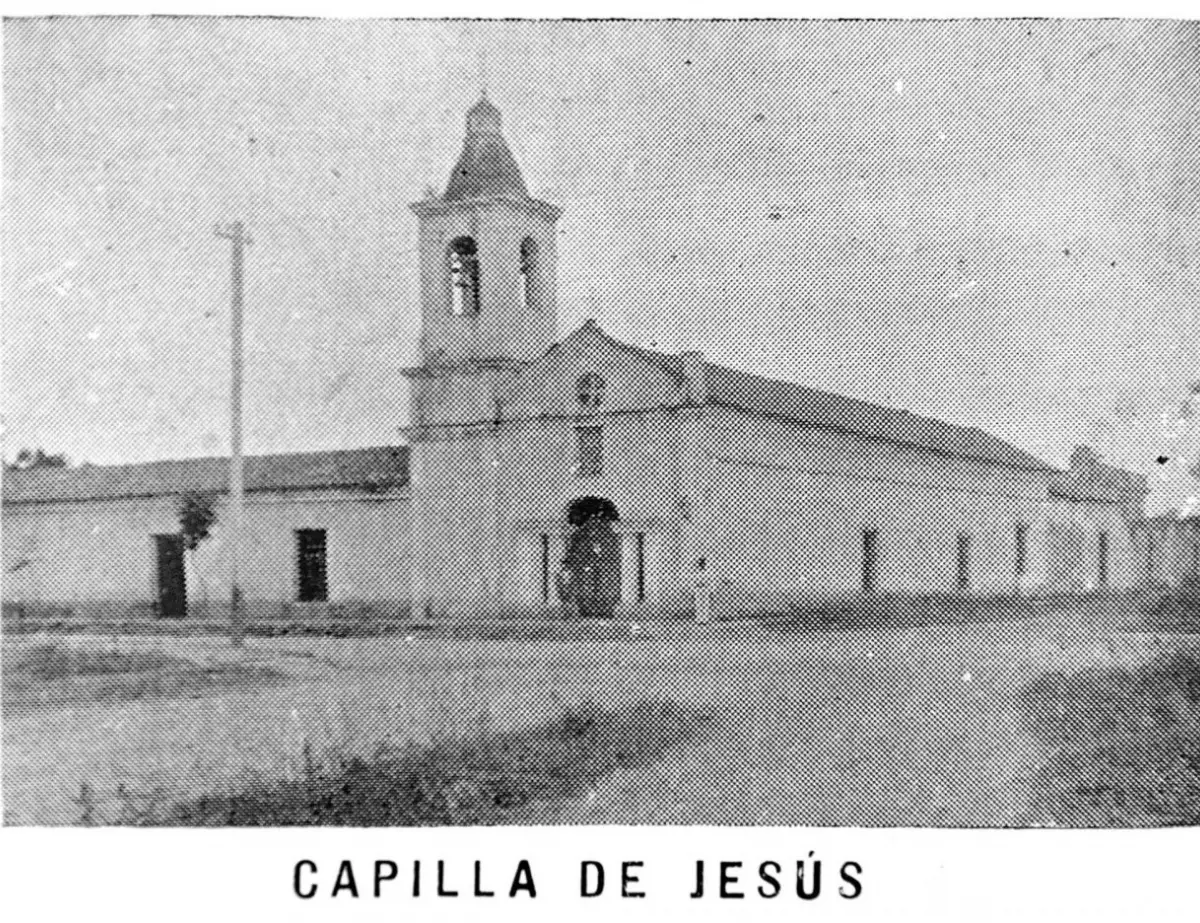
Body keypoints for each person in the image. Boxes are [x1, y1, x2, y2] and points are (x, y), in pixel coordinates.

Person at [693, 556, 711, 624]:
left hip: (705, 588)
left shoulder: (707, 572)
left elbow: (709, 580)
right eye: (700, 563)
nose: (702, 565)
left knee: (705, 604)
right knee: (698, 604)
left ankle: (705, 619)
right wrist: (697, 585)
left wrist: (708, 587)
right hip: (698, 588)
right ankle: (699, 619)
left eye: (703, 563)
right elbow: (694, 580)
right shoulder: (696, 572)